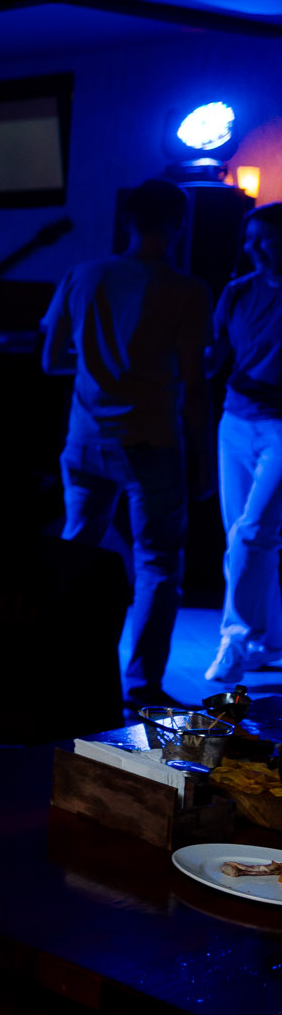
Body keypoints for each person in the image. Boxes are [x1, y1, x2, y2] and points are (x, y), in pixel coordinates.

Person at [39, 180, 209, 702]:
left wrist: (96, 368)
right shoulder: (186, 290)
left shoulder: (83, 274)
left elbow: (50, 360)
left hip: (85, 440)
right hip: (151, 442)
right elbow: (194, 384)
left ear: (126, 221)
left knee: (75, 552)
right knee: (157, 563)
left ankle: (57, 669)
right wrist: (202, 457)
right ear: (179, 225)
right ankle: (142, 684)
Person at [206, 202, 282, 682]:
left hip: (279, 426)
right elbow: (214, 358)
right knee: (244, 536)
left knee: (252, 534)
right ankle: (268, 641)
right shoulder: (237, 292)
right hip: (235, 421)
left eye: (264, 238)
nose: (252, 248)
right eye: (248, 239)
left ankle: (234, 642)